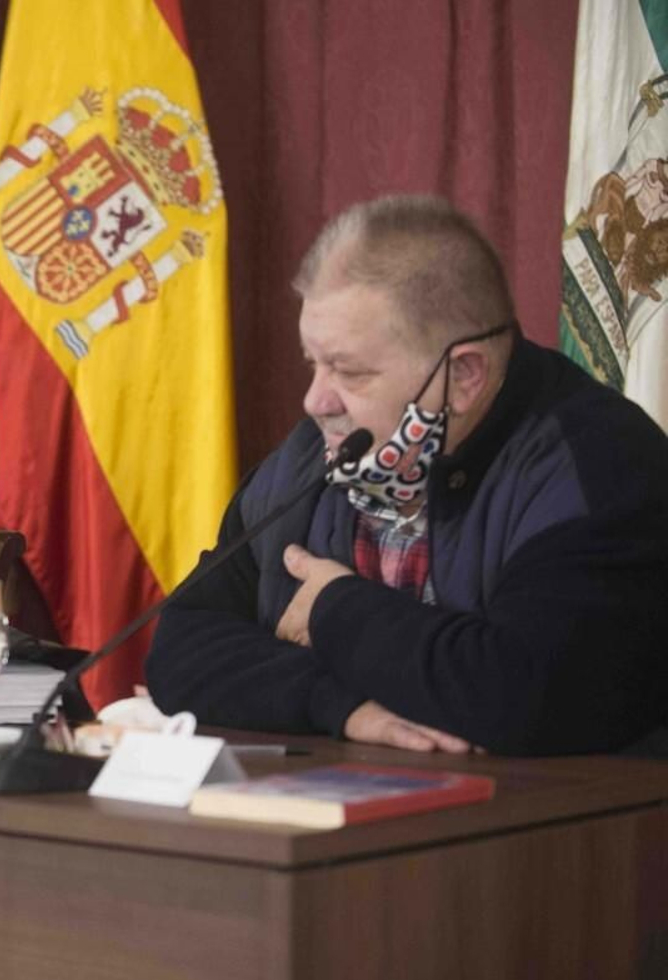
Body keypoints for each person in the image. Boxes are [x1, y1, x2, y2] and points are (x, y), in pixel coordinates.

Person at [145, 195, 668, 756]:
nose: (316, 399)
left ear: (465, 376)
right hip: (343, 817)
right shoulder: (308, 458)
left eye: (349, 371)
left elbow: (525, 693)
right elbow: (179, 646)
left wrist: (333, 611)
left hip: (571, 832)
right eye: (312, 363)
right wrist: (341, 706)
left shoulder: (597, 464)